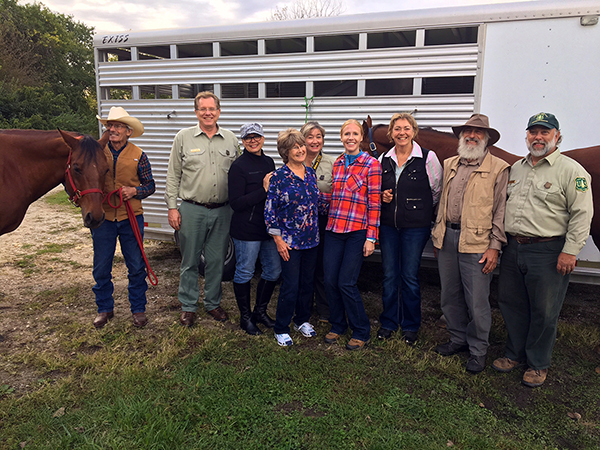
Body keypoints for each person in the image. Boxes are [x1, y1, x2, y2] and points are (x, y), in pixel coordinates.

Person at [493, 112, 593, 387]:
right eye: (533, 132)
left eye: (544, 132)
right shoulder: (515, 168)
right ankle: (513, 354)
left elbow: (582, 215)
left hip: (549, 251)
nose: (538, 137)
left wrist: (570, 251)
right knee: (511, 304)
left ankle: (537, 363)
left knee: (545, 310)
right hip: (514, 248)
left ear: (557, 136)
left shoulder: (571, 171)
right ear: (526, 136)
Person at [431, 114, 509, 373]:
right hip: (448, 239)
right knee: (449, 296)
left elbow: (500, 211)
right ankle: (457, 339)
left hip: (477, 243)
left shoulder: (498, 168)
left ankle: (478, 350)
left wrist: (494, 246)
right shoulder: (450, 163)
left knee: (477, 300)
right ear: (461, 136)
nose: (472, 136)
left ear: (486, 139)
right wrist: (438, 234)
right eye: (468, 132)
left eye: (478, 133)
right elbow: (441, 202)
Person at [165, 91, 239, 327]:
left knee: (216, 260)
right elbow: (173, 174)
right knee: (190, 260)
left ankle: (212, 303)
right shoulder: (183, 137)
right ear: (196, 112)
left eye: (212, 109)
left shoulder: (230, 139)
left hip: (222, 210)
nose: (208, 113)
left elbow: (239, 174)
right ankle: (188, 306)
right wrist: (171, 208)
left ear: (219, 111)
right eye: (203, 109)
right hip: (192, 209)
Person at [378, 113, 443, 345]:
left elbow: (436, 191)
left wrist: (422, 212)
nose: (401, 133)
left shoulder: (427, 157)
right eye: (397, 129)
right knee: (389, 275)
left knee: (409, 276)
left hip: (415, 228)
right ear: (391, 133)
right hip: (388, 227)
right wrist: (382, 195)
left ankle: (410, 325)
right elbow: (377, 190)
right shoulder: (382, 159)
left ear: (414, 132)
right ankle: (388, 322)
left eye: (406, 128)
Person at [92, 107, 155, 328]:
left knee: (136, 265)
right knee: (101, 266)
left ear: (128, 131)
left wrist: (134, 192)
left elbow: (150, 186)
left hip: (131, 217)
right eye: (110, 125)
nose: (113, 129)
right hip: (104, 218)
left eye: (118, 126)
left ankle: (138, 309)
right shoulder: (97, 153)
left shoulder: (139, 155)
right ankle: (104, 308)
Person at [323, 119, 382, 350]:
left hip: (357, 231)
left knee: (346, 282)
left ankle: (361, 330)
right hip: (334, 229)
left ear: (361, 138)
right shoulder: (337, 163)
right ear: (341, 137)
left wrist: (371, 237)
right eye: (346, 133)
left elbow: (375, 202)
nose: (350, 137)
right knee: (330, 280)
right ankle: (338, 325)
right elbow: (334, 197)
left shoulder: (371, 164)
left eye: (354, 134)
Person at [264, 128, 321, 347]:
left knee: (307, 283)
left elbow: (316, 204)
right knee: (291, 285)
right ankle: (281, 327)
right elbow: (270, 211)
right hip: (289, 242)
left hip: (311, 239)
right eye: (294, 147)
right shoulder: (278, 177)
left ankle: (302, 320)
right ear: (285, 152)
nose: (299, 150)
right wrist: (278, 240)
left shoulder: (310, 173)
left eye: (301, 145)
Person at [228, 123, 281, 335]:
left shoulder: (269, 162)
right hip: (246, 229)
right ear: (242, 141)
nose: (252, 140)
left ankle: (260, 311)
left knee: (274, 270)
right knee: (245, 271)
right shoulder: (238, 166)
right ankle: (245, 317)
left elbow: (274, 193)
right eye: (248, 137)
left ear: (262, 138)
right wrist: (263, 190)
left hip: (267, 228)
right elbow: (236, 203)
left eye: (256, 136)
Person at [300, 121, 336, 323]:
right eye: (310, 136)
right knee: (304, 266)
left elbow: (337, 192)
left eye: (318, 136)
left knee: (322, 265)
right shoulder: (296, 160)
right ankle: (302, 307)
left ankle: (324, 309)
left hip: (323, 221)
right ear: (302, 140)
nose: (315, 141)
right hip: (300, 222)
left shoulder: (332, 163)